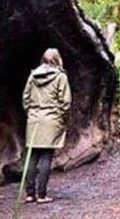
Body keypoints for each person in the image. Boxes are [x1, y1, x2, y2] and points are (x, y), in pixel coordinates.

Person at [22, 47, 71, 204]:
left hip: (34, 120)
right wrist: (62, 118)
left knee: (32, 156)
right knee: (46, 157)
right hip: (51, 120)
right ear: (58, 59)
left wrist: (31, 113)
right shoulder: (60, 76)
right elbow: (66, 101)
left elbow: (26, 98)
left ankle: (30, 194)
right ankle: (42, 195)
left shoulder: (32, 75)